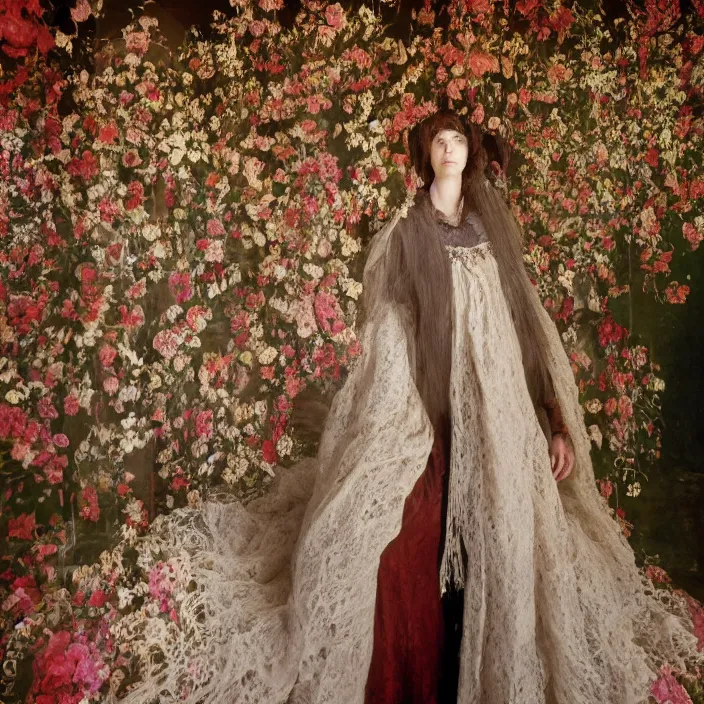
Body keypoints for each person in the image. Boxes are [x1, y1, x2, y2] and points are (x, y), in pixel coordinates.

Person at [120, 109, 703, 704]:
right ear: (424, 154)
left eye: (457, 141)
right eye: (438, 142)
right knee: (401, 539)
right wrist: (407, 421)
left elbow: (524, 336)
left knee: (508, 538)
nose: (448, 150)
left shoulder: (491, 230)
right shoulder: (407, 231)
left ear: (470, 152)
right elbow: (390, 336)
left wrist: (553, 423)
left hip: (496, 424)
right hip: (424, 418)